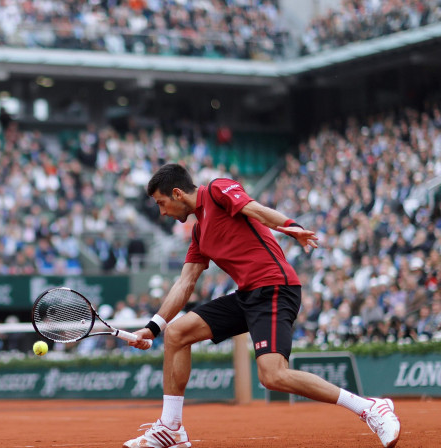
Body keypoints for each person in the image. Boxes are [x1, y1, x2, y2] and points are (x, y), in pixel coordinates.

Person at [123, 164, 400, 448]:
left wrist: (292, 226)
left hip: (275, 287)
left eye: (161, 203)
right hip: (247, 295)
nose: (162, 212)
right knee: (176, 333)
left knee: (273, 375)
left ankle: (370, 407)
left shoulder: (217, 189)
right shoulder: (199, 232)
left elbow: (255, 209)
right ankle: (171, 428)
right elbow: (185, 283)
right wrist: (153, 327)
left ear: (178, 193)